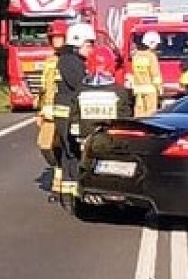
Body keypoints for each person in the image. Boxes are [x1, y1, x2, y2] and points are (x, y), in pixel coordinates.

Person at [53, 22, 96, 199]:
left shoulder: (69, 60)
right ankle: (74, 193)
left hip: (65, 111)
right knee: (73, 152)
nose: (91, 49)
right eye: (88, 44)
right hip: (69, 113)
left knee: (68, 152)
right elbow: (80, 86)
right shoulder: (71, 62)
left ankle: (69, 193)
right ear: (77, 42)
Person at [35, 19, 68, 195]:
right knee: (44, 145)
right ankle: (58, 168)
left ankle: (60, 181)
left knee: (62, 146)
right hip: (47, 112)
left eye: (60, 37)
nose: (56, 41)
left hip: (63, 112)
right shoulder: (49, 61)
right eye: (53, 38)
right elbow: (43, 88)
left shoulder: (70, 62)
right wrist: (39, 110)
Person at [75, 47, 133, 141]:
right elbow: (124, 118)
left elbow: (74, 115)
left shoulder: (80, 90)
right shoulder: (119, 91)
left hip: (85, 137)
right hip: (110, 138)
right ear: (111, 65)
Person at [130, 30, 163, 117]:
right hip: (150, 90)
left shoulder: (135, 56)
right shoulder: (151, 56)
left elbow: (133, 72)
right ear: (151, 43)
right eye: (156, 43)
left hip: (138, 90)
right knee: (150, 114)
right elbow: (155, 75)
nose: (156, 46)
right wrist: (160, 89)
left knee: (139, 113)